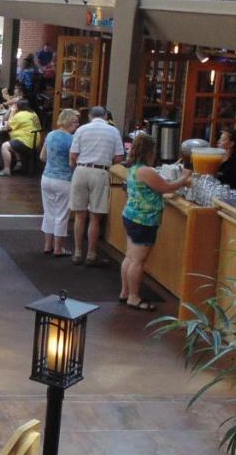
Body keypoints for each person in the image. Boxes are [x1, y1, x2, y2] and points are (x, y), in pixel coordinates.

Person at [121, 134, 192, 311]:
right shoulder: (146, 171)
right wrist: (184, 177)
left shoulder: (133, 168)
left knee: (130, 257)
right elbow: (166, 188)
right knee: (138, 261)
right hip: (144, 220)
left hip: (131, 215)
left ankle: (125, 292)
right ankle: (134, 297)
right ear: (149, 151)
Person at [68, 106, 125, 266]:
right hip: (100, 172)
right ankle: (91, 253)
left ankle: (78, 252)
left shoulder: (81, 130)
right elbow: (119, 157)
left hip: (81, 170)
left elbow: (73, 155)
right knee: (95, 217)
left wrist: (76, 165)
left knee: (80, 215)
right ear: (106, 116)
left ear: (90, 116)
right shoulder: (113, 131)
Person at [39, 109, 81, 256]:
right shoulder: (72, 140)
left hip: (46, 178)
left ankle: (47, 245)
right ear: (69, 122)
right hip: (64, 180)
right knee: (62, 215)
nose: (78, 124)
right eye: (76, 121)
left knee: (49, 213)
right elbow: (72, 162)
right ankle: (58, 248)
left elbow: (42, 156)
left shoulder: (51, 135)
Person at [0, 99, 43, 176]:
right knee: (10, 140)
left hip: (26, 142)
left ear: (18, 106)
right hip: (35, 141)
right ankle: (19, 162)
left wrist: (12, 111)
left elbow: (8, 126)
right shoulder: (33, 113)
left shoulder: (20, 115)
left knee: (5, 146)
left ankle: (6, 169)